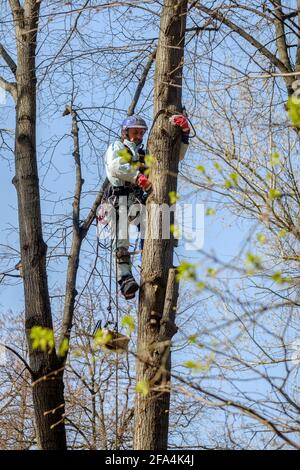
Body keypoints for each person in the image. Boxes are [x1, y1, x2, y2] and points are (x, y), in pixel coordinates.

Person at [102, 113, 190, 300]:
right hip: (120, 198)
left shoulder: (145, 153)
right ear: (126, 132)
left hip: (137, 199)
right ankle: (125, 280)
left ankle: (151, 265)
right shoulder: (118, 147)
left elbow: (175, 158)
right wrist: (137, 177)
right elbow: (115, 166)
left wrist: (184, 136)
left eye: (141, 133)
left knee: (158, 224)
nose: (138, 136)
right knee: (122, 239)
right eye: (135, 132)